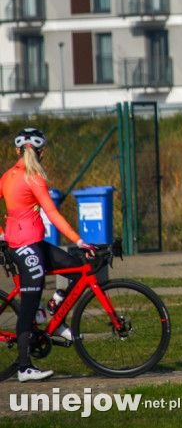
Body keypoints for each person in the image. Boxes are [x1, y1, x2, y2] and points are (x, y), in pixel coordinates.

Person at [0, 128, 96, 382]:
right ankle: (24, 368)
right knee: (29, 309)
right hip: (24, 245)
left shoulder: (7, 176)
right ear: (41, 153)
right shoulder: (33, 179)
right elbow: (52, 214)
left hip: (33, 243)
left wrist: (1, 233)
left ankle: (57, 309)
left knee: (75, 268)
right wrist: (79, 240)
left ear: (17, 152)